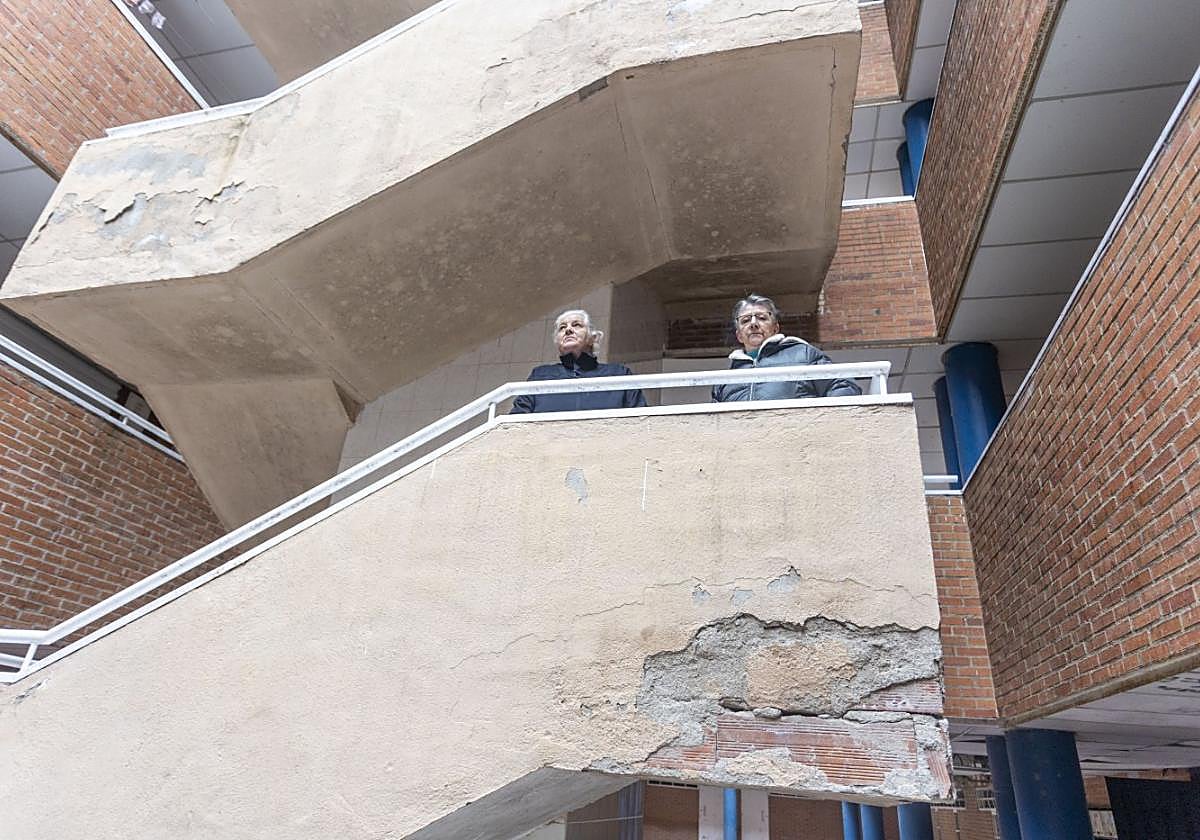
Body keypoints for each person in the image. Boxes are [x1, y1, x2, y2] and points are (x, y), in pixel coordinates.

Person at [712, 294, 862, 402]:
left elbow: (843, 386)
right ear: (739, 335)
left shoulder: (803, 354)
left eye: (762, 318)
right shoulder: (726, 379)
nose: (753, 324)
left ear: (776, 328)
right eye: (745, 320)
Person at [511, 309, 647, 413]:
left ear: (592, 338)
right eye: (562, 328)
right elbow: (515, 421)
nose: (568, 330)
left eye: (576, 325)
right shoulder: (540, 376)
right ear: (557, 341)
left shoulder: (619, 374)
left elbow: (642, 419)